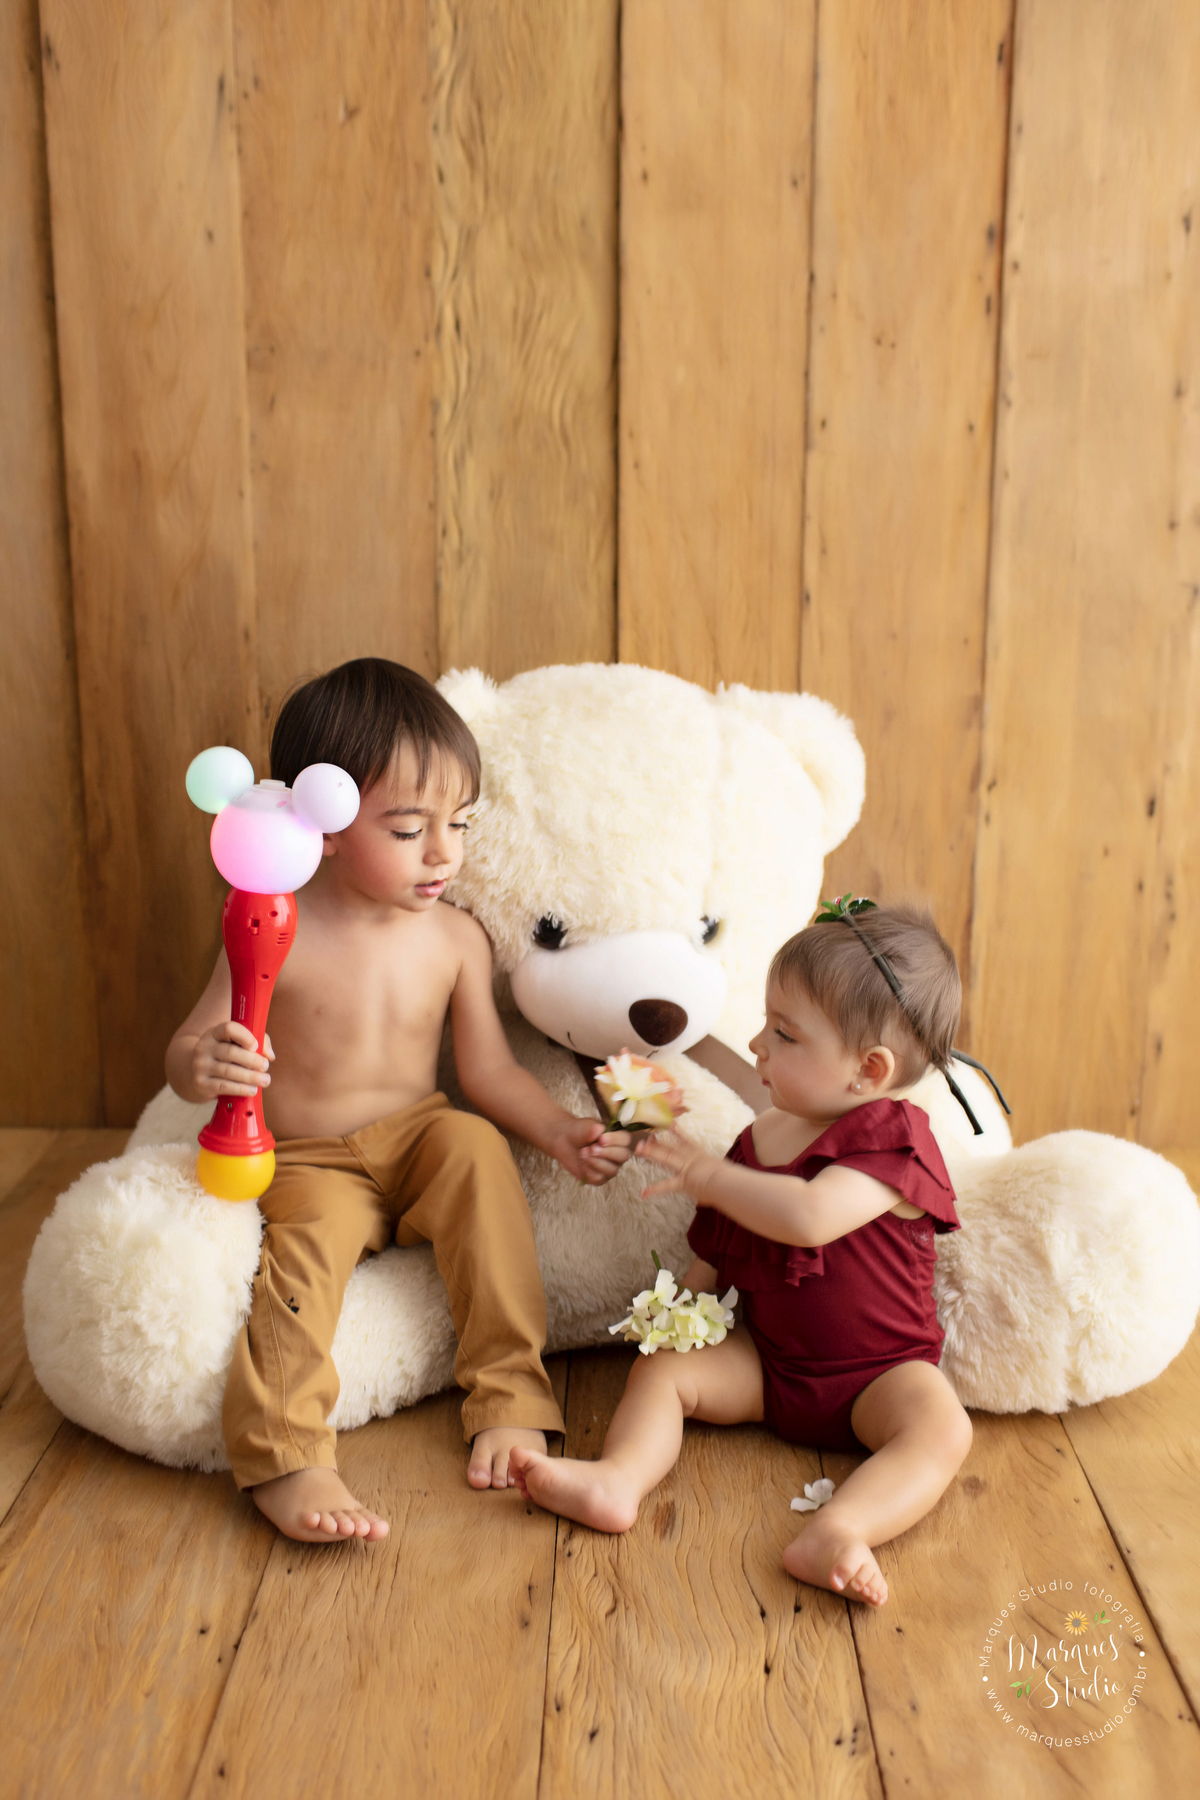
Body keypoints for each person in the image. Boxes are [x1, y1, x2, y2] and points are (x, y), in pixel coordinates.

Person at [167, 658, 632, 1545]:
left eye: (460, 824)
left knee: (473, 1146)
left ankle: (510, 1394)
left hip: (418, 1137)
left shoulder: (455, 938)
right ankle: (285, 1453)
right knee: (296, 1274)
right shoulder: (270, 923)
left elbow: (487, 1075)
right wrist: (206, 1064)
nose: (444, 853)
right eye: (411, 828)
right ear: (322, 825)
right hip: (309, 1159)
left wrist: (561, 1131)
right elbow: (189, 1048)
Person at [510, 902, 974, 1608]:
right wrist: (683, 1305)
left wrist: (710, 1176)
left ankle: (841, 1529)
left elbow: (810, 1217)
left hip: (881, 1376)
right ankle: (619, 1479)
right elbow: (727, 1244)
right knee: (664, 1373)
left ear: (868, 1070)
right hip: (771, 1366)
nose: (757, 1045)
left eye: (784, 1034)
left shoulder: (894, 1139)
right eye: (765, 1022)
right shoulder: (762, 1139)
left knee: (942, 1429)